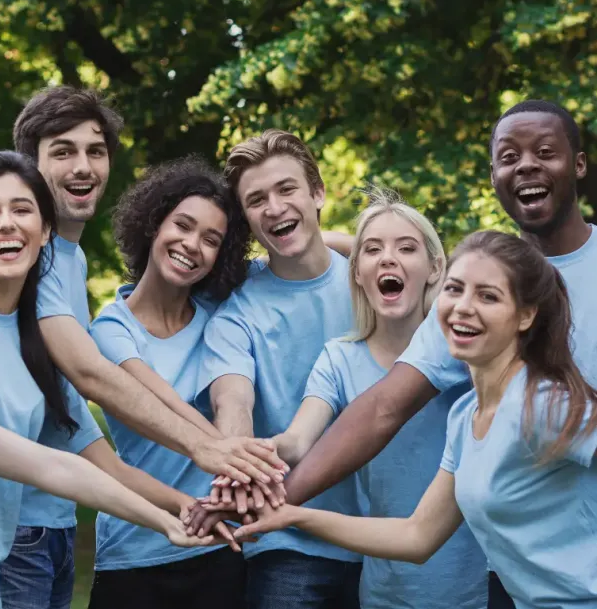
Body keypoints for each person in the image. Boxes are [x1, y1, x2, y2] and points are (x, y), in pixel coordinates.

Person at [281, 99, 597, 601]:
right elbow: (387, 419)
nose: (527, 166)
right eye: (508, 156)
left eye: (544, 152)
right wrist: (278, 507)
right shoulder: (465, 415)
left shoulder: (552, 404)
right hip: (510, 579)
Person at [0, 153, 211, 609]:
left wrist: (181, 512)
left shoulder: (44, 346)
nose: (6, 223)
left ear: (46, 231)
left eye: (22, 210)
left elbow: (82, 468)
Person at [228, 230, 597, 609]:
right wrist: (292, 515)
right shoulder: (465, 417)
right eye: (455, 289)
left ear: (525, 315)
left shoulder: (544, 403)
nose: (463, 307)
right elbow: (416, 536)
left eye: (488, 296)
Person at [9, 85, 287, 494]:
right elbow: (90, 374)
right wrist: (212, 448)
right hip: (19, 515)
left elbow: (72, 417)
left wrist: (362, 242)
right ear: (30, 164)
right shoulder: (34, 256)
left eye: (96, 152)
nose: (83, 167)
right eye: (63, 152)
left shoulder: (73, 258)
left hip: (55, 516)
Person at [270, 190, 485, 608]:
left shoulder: (464, 348)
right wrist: (257, 456)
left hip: (475, 589)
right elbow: (297, 441)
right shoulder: (338, 358)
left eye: (407, 248)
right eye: (373, 251)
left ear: (435, 269)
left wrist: (338, 239)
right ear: (355, 273)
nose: (388, 259)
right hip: (385, 592)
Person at [194, 130, 364, 609]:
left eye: (286, 189)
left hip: (385, 534)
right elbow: (233, 399)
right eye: (256, 200)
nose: (273, 207)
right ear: (245, 219)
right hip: (288, 544)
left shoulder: (375, 281)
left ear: (318, 193)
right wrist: (239, 458)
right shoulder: (237, 313)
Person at [84, 156, 263, 609]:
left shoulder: (223, 318)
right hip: (133, 552)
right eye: (182, 225)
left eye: (211, 240)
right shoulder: (110, 328)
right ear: (152, 224)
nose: (191, 245)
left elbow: (306, 254)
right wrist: (229, 455)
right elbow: (157, 402)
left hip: (219, 546)